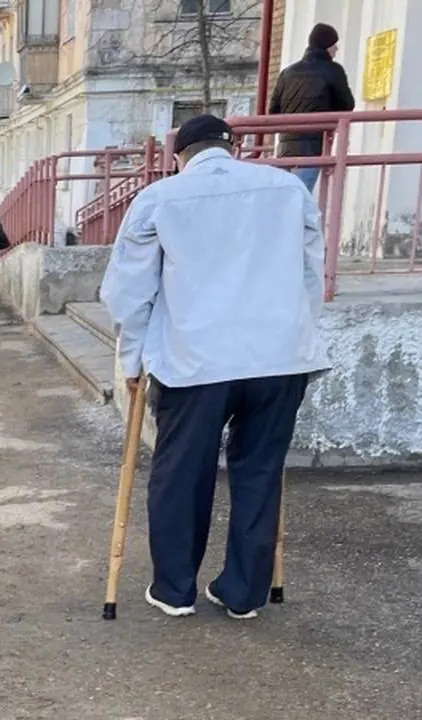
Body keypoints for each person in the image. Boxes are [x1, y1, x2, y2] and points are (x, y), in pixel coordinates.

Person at [100, 115, 331, 620]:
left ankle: (175, 589)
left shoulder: (161, 198)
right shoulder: (288, 190)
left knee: (182, 473)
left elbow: (129, 292)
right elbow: (313, 272)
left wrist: (131, 359)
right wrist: (300, 332)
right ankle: (244, 593)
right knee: (260, 472)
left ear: (179, 156)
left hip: (194, 360)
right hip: (278, 357)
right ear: (234, 147)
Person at [269, 22, 356, 192]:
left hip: (285, 149)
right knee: (301, 195)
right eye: (334, 44)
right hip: (313, 147)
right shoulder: (333, 70)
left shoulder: (287, 73)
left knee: (286, 196)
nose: (336, 49)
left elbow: (273, 110)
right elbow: (347, 105)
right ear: (327, 46)